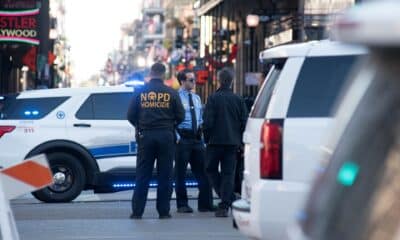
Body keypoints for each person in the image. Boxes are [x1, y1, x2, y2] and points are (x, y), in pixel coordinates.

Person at [127, 62, 185, 219]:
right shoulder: (171, 92)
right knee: (165, 175)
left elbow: (130, 115)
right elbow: (181, 115)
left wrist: (140, 125)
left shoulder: (140, 92)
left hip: (146, 136)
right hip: (166, 136)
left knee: (142, 175)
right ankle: (163, 211)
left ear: (151, 73)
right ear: (164, 74)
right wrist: (170, 125)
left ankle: (137, 212)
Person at [203, 67, 248, 217]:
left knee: (210, 169)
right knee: (229, 174)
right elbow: (244, 122)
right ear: (232, 81)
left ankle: (225, 198)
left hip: (215, 142)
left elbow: (208, 122)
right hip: (232, 143)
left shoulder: (213, 98)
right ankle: (225, 202)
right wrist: (241, 142)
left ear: (218, 80)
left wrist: (206, 139)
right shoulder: (238, 99)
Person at [174, 69, 214, 213]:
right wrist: (177, 138)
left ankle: (205, 204)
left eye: (194, 79)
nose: (194, 82)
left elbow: (200, 119)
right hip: (182, 139)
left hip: (196, 139)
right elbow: (171, 120)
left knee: (204, 172)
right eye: (191, 80)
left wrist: (202, 138)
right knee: (180, 174)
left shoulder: (196, 98)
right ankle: (182, 204)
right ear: (182, 81)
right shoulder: (176, 98)